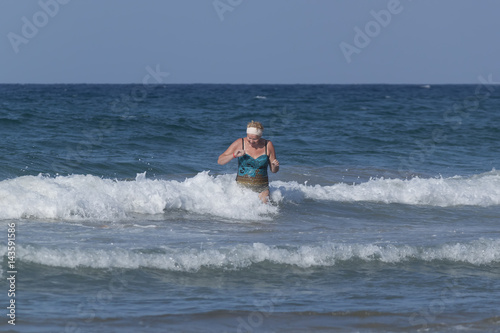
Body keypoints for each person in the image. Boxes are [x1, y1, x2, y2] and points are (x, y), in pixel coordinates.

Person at [218, 121, 279, 202]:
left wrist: (275, 166)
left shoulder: (268, 145)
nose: (251, 141)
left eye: (255, 139)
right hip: (241, 188)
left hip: (262, 188)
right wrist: (234, 155)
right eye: (249, 138)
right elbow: (220, 161)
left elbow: (274, 171)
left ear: (260, 136)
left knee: (265, 209)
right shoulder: (240, 143)